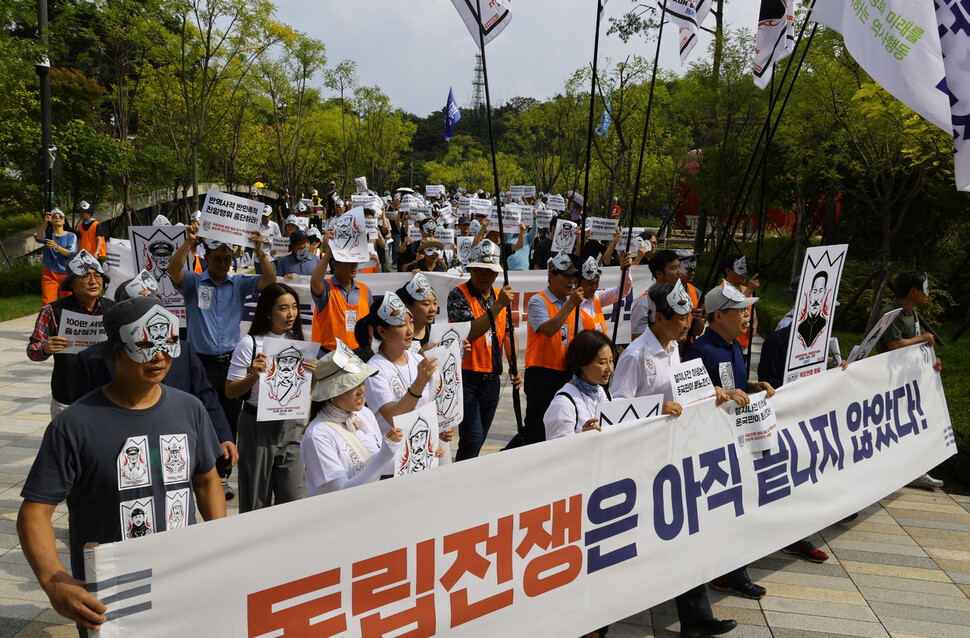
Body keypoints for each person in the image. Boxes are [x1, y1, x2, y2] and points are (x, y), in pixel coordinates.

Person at [17, 296, 225, 636]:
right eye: (143, 344)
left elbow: (206, 480)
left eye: (167, 342)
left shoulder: (191, 410)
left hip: (182, 576)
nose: (159, 355)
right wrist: (55, 582)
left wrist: (220, 541)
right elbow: (35, 512)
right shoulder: (73, 425)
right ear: (114, 351)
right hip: (113, 594)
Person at [612, 281, 739, 637]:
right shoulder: (636, 355)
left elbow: (681, 393)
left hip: (675, 456)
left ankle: (696, 618)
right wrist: (656, 408)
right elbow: (617, 409)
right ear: (660, 317)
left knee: (686, 534)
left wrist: (708, 392)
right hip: (643, 462)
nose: (688, 324)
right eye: (682, 318)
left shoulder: (674, 350)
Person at [77, 273, 239, 480]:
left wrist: (223, 435)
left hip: (175, 452)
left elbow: (205, 396)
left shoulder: (183, 352)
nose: (159, 356)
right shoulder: (92, 360)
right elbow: (84, 415)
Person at [168, 221, 275, 497]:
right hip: (199, 363)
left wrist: (260, 251)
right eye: (218, 258)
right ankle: (196, 470)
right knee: (196, 417)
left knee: (228, 420)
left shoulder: (238, 283)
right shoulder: (193, 282)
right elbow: (173, 270)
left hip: (230, 364)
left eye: (228, 259)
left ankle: (223, 475)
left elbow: (270, 281)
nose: (224, 263)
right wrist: (189, 242)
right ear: (206, 258)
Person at [684, 284, 774, 600]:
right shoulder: (698, 350)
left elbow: (731, 384)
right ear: (719, 315)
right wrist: (715, 396)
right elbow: (689, 396)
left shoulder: (735, 346)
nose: (746, 316)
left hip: (735, 441)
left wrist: (753, 385)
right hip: (707, 447)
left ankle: (729, 572)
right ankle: (728, 574)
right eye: (740, 311)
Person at [225, 283, 312, 512]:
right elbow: (230, 391)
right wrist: (254, 375)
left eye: (294, 307)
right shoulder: (249, 344)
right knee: (256, 502)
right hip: (257, 427)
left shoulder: (299, 341)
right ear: (268, 311)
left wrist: (315, 374)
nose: (291, 313)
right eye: (283, 308)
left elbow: (304, 391)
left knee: (294, 498)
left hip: (291, 425)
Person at [446, 240, 520, 460]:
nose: (483, 275)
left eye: (488, 271)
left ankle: (467, 475)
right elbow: (470, 331)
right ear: (470, 269)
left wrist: (514, 364)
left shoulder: (500, 295)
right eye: (478, 270)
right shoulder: (458, 295)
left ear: (496, 274)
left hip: (493, 379)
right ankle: (460, 479)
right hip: (467, 376)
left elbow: (508, 332)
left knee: (480, 438)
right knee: (472, 437)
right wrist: (497, 307)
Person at [302, 341, 403, 495]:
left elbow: (378, 465)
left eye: (362, 382)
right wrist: (386, 452)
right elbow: (341, 492)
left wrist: (417, 452)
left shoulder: (364, 414)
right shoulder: (317, 435)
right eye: (351, 385)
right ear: (331, 393)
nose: (361, 391)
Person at [876, 269, 944, 489]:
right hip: (891, 380)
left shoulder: (912, 312)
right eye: (925, 288)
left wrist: (930, 358)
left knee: (912, 423)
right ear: (913, 291)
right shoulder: (891, 312)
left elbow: (914, 344)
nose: (928, 293)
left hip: (910, 379)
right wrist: (922, 338)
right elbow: (894, 346)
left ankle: (914, 470)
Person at [27, 250, 113, 417]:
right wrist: (45, 348)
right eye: (85, 276)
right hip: (67, 394)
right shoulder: (52, 311)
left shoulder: (114, 309)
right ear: (71, 283)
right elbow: (33, 350)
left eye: (98, 276)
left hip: (108, 393)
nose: (93, 281)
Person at [518, 251, 583, 447]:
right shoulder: (538, 301)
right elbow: (548, 330)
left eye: (573, 276)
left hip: (565, 372)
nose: (571, 281)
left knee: (561, 423)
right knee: (536, 426)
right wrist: (570, 305)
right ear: (552, 276)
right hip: (541, 372)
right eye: (566, 276)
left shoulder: (570, 303)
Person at [543, 329, 613, 440]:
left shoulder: (603, 392)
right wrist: (582, 438)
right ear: (582, 363)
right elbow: (557, 451)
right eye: (602, 363)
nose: (609, 368)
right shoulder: (563, 404)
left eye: (611, 360)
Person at [310, 229, 372, 352]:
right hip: (329, 355)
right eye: (349, 262)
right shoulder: (326, 288)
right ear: (335, 264)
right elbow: (315, 282)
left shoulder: (365, 290)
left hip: (358, 355)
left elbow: (368, 324)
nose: (354, 265)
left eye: (356, 261)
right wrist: (328, 251)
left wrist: (367, 350)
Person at [631, 250, 682, 340]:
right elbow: (637, 341)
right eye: (674, 268)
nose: (679, 272)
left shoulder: (681, 297)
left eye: (679, 267)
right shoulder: (644, 304)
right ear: (659, 274)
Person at [33, 208, 79, 305]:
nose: (57, 218)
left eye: (60, 216)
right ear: (51, 220)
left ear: (64, 220)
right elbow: (38, 237)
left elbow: (71, 253)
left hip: (67, 274)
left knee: (71, 302)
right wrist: (45, 222)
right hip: (50, 274)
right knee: (48, 302)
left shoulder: (71, 236)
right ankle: (49, 319)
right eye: (54, 216)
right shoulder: (48, 235)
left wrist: (56, 247)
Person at [577, 254, 633, 334]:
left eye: (596, 283)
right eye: (589, 284)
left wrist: (625, 270)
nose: (594, 287)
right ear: (576, 282)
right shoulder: (569, 304)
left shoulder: (597, 296)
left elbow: (622, 292)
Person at [719, 253, 759, 352]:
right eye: (740, 269)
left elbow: (753, 316)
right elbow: (732, 310)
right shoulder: (721, 291)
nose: (744, 272)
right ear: (728, 271)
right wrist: (749, 291)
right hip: (726, 344)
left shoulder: (745, 289)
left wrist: (754, 325)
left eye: (745, 269)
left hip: (744, 346)